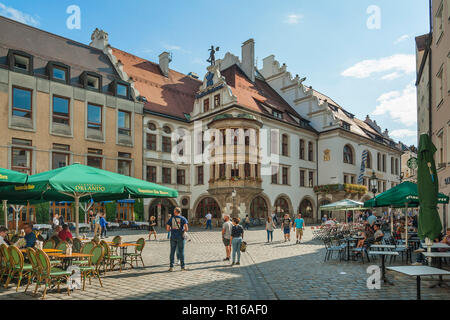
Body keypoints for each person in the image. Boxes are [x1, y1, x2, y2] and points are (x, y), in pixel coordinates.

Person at [166, 207, 188, 271]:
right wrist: (183, 231)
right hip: (181, 237)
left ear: (175, 212)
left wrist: (172, 230)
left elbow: (167, 229)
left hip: (173, 237)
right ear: (179, 212)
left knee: (172, 252)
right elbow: (186, 228)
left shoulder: (171, 219)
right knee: (181, 252)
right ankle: (182, 267)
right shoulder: (183, 218)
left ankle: (171, 267)